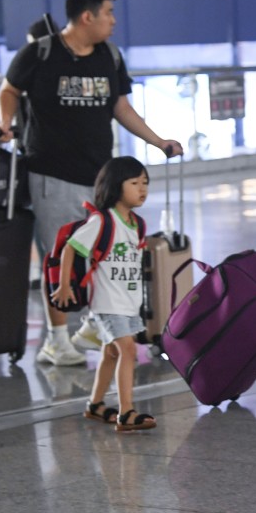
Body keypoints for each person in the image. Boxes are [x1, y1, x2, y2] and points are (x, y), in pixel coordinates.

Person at [0, 0, 183, 366]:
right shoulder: (40, 54)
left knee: (104, 254)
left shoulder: (109, 56)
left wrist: (158, 140)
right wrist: (4, 123)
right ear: (87, 16)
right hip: (51, 173)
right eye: (109, 12)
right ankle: (56, 339)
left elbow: (122, 107)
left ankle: (93, 328)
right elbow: (8, 91)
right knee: (59, 255)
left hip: (99, 177)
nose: (114, 21)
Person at [51, 156, 156, 432]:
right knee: (128, 351)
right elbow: (70, 248)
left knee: (111, 353)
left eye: (145, 183)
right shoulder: (102, 221)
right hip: (108, 303)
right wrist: (63, 286)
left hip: (129, 303)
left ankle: (96, 405)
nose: (142, 189)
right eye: (134, 183)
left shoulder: (138, 224)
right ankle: (126, 412)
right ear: (115, 186)